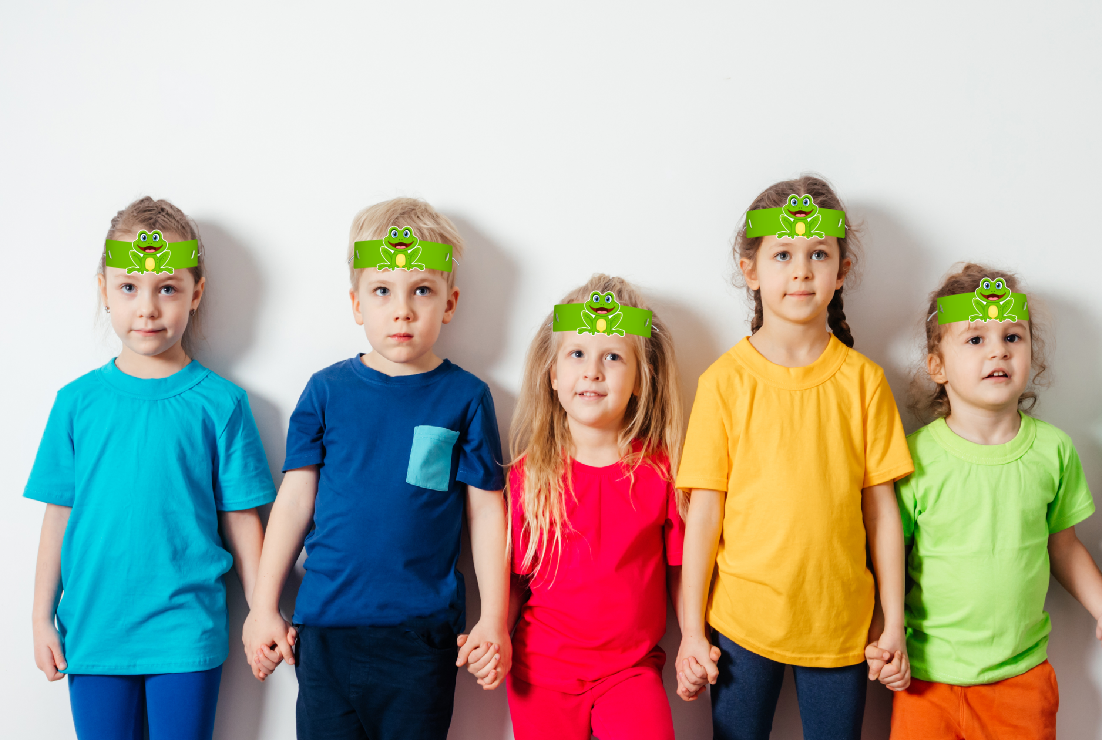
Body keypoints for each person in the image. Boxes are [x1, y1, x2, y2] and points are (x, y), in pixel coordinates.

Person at [242, 197, 509, 740]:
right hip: (326, 629)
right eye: (382, 291)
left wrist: (494, 619)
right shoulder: (325, 391)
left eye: (422, 291)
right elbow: (294, 503)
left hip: (421, 637)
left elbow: (486, 513)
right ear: (357, 303)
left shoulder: (466, 397)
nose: (402, 310)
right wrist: (262, 607)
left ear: (450, 302)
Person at [27, 196, 276, 740]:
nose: (147, 308)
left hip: (186, 631)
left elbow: (241, 519)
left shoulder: (222, 404)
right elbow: (58, 515)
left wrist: (263, 611)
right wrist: (41, 616)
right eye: (128, 287)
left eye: (167, 288)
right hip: (94, 631)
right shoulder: (76, 403)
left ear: (196, 293)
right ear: (104, 290)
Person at [675, 176, 914, 740]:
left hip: (841, 623)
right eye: (783, 254)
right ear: (751, 269)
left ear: (842, 270)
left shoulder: (865, 382)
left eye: (818, 254)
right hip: (741, 620)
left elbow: (883, 513)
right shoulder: (723, 382)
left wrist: (893, 622)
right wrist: (690, 631)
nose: (802, 271)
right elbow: (703, 516)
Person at [882, 263, 1102, 739]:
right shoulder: (913, 458)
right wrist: (885, 633)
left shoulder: (1054, 451)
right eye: (976, 339)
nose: (998, 350)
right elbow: (887, 558)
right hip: (926, 680)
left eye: (1013, 337)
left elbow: (1064, 546)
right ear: (937, 366)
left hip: (1021, 681)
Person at [496, 274, 687, 740]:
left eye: (613, 357)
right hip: (541, 674)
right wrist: (495, 632)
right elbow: (513, 579)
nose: (593, 371)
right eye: (577, 353)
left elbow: (680, 570)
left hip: (631, 672)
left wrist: (694, 639)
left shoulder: (662, 472)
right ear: (553, 374)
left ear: (640, 379)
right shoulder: (528, 475)